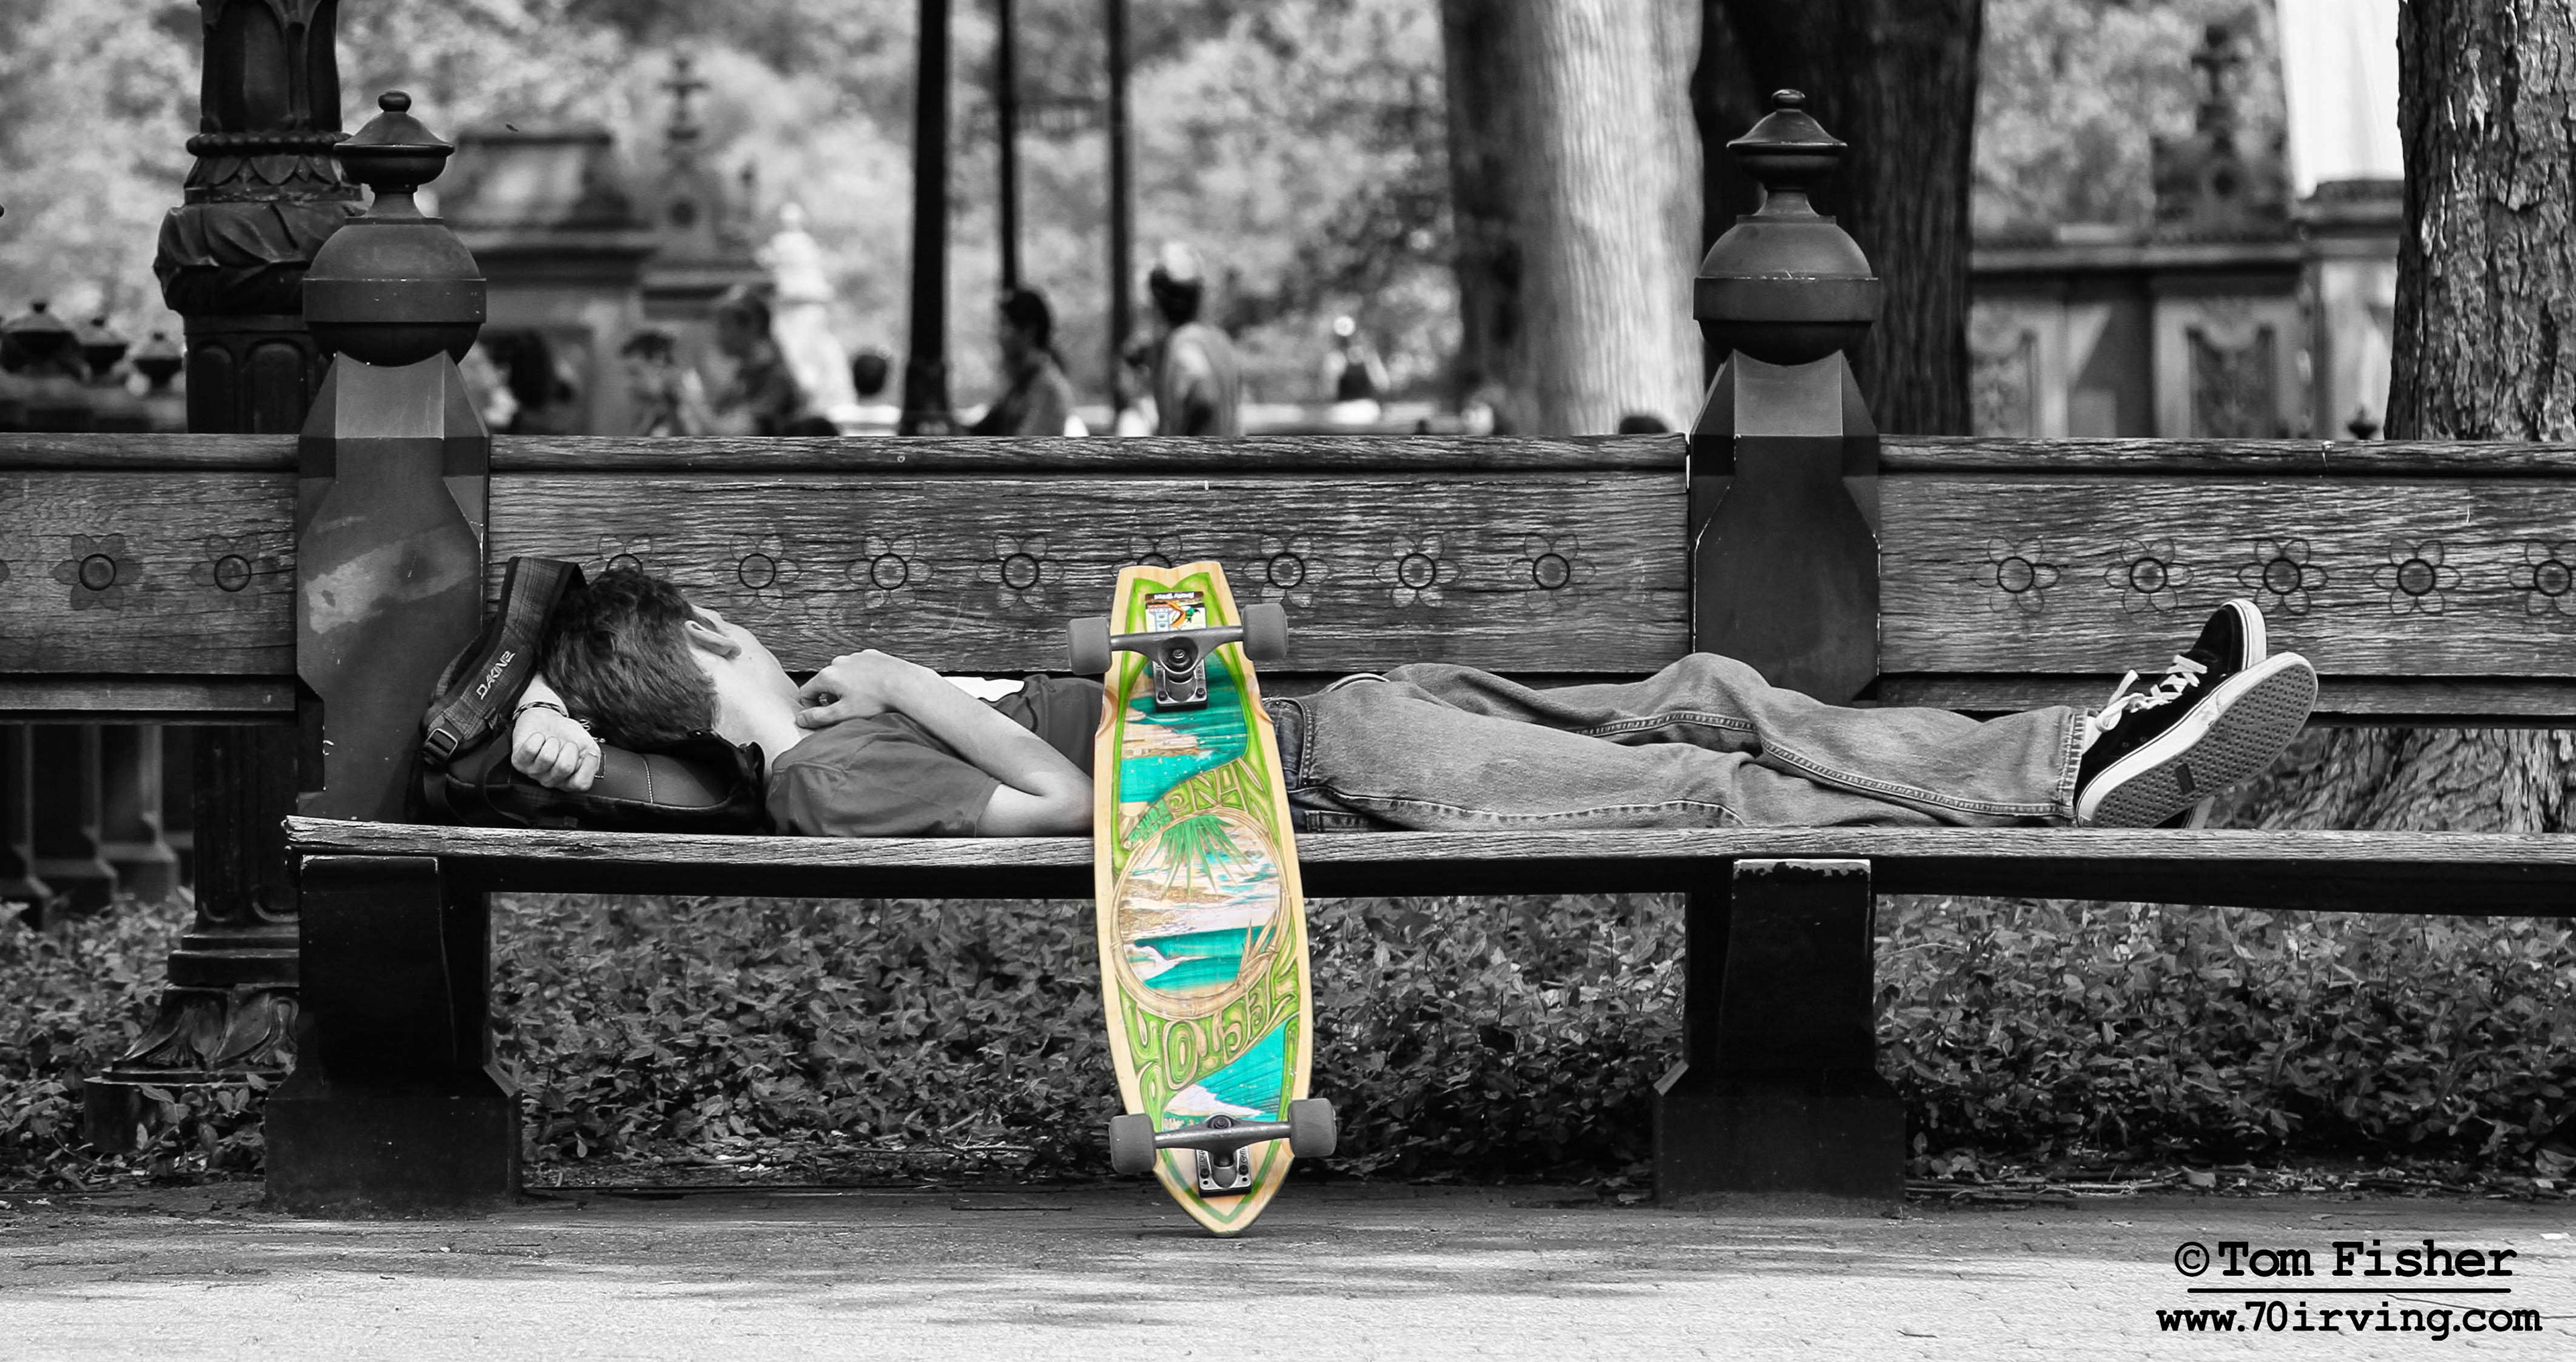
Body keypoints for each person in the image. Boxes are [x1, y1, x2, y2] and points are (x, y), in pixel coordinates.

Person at [506, 577, 2317, 846]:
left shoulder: (806, 751)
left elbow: (712, 792)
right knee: (1707, 783)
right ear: (717, 635)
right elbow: (1071, 802)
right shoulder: (834, 761)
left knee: (1712, 694)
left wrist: (595, 766)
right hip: (1339, 765)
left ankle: (2086, 749)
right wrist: (908, 677)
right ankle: (2071, 775)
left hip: (1349, 714)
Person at [1146, 243, 1242, 437]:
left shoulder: (1183, 342)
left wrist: (1182, 447)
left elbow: (1202, 392)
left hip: (1201, 465)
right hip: (1229, 462)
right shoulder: (1220, 341)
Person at [706, 285, 826, 437]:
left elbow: (730, 434)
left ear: (752, 326)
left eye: (724, 325)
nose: (717, 336)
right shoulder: (744, 377)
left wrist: (684, 391)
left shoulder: (776, 379)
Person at [969, 288, 1082, 438]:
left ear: (1028, 331)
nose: (999, 335)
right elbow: (983, 431)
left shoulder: (1047, 389)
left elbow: (1024, 450)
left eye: (1005, 325)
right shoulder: (1020, 384)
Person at [620, 327, 711, 438]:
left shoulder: (688, 396)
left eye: (634, 373)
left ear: (658, 364)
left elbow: (696, 442)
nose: (628, 384)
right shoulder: (656, 407)